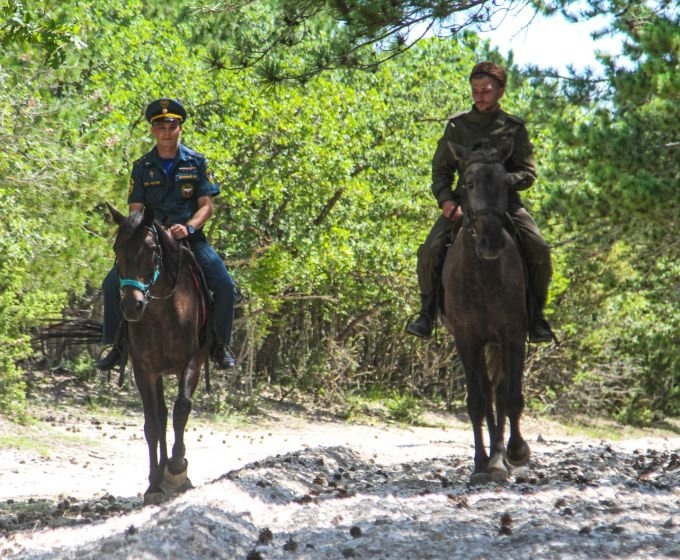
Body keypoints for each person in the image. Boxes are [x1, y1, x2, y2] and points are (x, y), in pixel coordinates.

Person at [405, 61, 554, 343]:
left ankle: (536, 317)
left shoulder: (513, 128)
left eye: (485, 91)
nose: (479, 97)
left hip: (505, 203)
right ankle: (426, 314)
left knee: (539, 247)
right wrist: (446, 200)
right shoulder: (457, 126)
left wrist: (500, 181)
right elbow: (441, 170)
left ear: (500, 92)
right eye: (475, 91)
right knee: (430, 249)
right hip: (465, 202)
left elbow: (528, 172)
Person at [96, 98, 237, 370]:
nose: (167, 131)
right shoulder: (142, 166)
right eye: (161, 126)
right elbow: (135, 210)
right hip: (151, 241)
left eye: (172, 125)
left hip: (189, 239)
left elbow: (206, 206)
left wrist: (189, 226)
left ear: (180, 128)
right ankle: (116, 346)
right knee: (111, 284)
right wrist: (144, 231)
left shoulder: (196, 162)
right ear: (153, 130)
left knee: (225, 286)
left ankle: (219, 346)